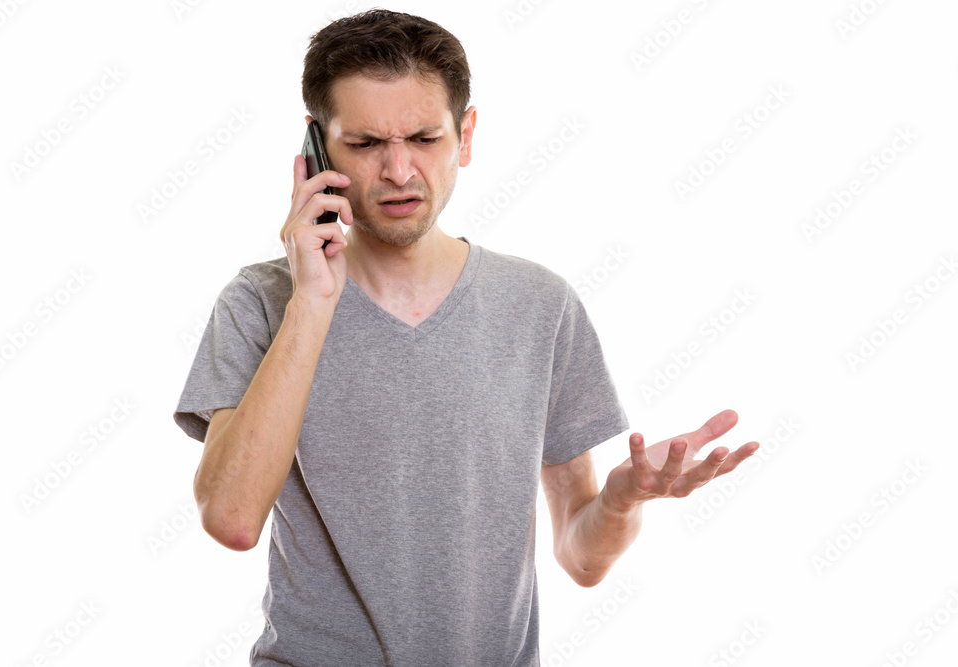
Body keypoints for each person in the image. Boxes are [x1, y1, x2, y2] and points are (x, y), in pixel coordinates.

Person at [173, 9, 759, 666]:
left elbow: (581, 553)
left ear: (466, 134)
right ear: (316, 149)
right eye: (365, 143)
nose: (398, 170)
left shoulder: (541, 304)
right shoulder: (258, 303)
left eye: (424, 137)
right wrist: (313, 299)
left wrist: (621, 502)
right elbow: (232, 518)